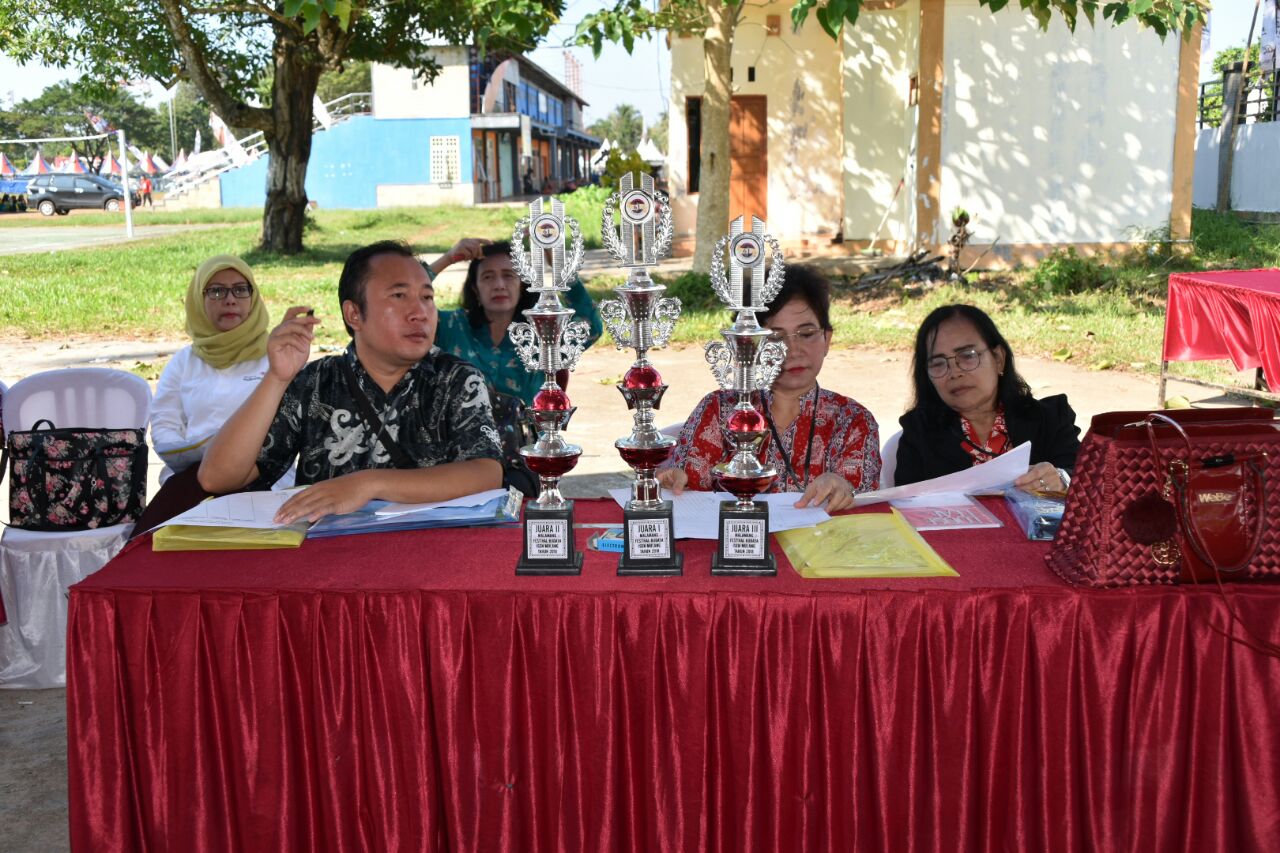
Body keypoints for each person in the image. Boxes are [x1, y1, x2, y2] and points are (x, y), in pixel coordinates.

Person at [198, 240, 504, 525]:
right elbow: (218, 478)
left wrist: (367, 484)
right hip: (326, 566)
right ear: (354, 314)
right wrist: (277, 378)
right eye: (399, 296)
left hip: (425, 562)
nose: (419, 313)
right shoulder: (316, 383)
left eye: (427, 297)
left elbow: (485, 472)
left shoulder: (455, 379)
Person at [657, 265, 881, 511]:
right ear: (748, 345)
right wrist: (677, 482)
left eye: (806, 334)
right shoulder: (718, 410)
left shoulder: (852, 421)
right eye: (775, 338)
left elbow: (865, 501)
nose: (794, 351)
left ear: (827, 339)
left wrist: (842, 487)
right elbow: (688, 486)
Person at [895, 304, 1080, 490]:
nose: (955, 372)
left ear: (998, 359)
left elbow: (1090, 483)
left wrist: (1062, 479)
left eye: (967, 355)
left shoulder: (1051, 419)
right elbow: (903, 506)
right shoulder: (919, 432)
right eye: (938, 363)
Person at [431, 239, 603, 406]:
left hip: (528, 433)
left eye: (508, 275)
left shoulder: (543, 333)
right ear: (475, 288)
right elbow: (406, 308)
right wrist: (448, 259)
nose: (499, 285)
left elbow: (591, 325)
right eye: (488, 277)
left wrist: (560, 267)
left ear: (522, 285)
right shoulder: (452, 326)